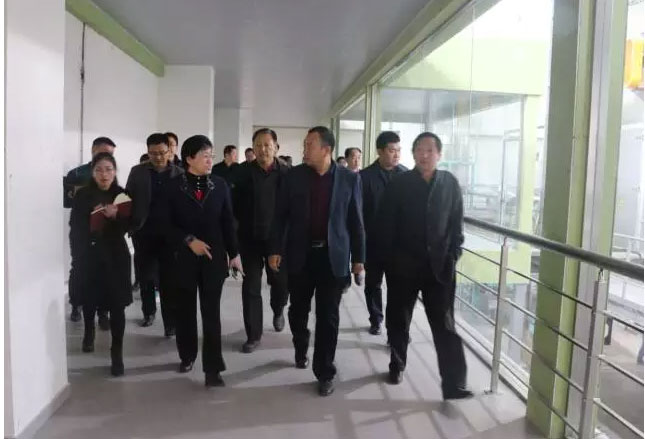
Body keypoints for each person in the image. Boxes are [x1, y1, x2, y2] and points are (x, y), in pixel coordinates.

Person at [269, 126, 365, 397]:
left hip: (332, 257)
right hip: (300, 254)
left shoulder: (348, 179)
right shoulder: (294, 176)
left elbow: (356, 221)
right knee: (298, 311)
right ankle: (301, 346)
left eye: (309, 144)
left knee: (328, 316)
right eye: (304, 144)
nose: (305, 149)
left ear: (326, 149)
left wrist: (359, 258)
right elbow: (280, 216)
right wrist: (275, 249)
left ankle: (325, 372)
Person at [376, 132, 472, 400]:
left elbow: (456, 224)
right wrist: (388, 261)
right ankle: (397, 364)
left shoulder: (449, 183)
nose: (424, 154)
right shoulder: (399, 184)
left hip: (439, 268)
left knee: (445, 324)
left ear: (439, 154)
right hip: (403, 267)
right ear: (413, 154)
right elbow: (386, 224)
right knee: (399, 318)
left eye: (430, 150)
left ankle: (454, 383)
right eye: (419, 149)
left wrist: (453, 254)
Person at [163, 135, 243, 387]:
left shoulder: (219, 185)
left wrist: (234, 253)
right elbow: (164, 225)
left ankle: (213, 368)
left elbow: (228, 221)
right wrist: (188, 240)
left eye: (211, 156)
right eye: (205, 156)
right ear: (189, 158)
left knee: (211, 314)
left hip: (213, 258)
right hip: (183, 258)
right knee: (185, 311)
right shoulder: (172, 187)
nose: (210, 161)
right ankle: (187, 355)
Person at [69, 152, 132, 376]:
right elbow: (75, 227)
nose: (104, 174)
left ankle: (117, 353)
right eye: (99, 170)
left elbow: (129, 226)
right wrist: (77, 255)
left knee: (117, 305)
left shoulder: (122, 195)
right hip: (90, 255)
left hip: (115, 256)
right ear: (92, 173)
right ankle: (89, 332)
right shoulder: (83, 195)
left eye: (108, 169)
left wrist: (115, 217)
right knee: (89, 299)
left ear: (115, 172)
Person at [230, 128, 290, 353]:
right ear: (253, 148)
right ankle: (253, 335)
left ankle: (278, 308)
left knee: (280, 283)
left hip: (278, 241)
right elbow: (232, 207)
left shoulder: (287, 174)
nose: (263, 149)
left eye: (267, 145)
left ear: (276, 147)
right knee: (251, 287)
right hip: (250, 240)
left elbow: (292, 212)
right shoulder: (241, 173)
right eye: (258, 145)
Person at [126, 133, 183, 335]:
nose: (158, 157)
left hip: (170, 236)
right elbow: (127, 199)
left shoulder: (180, 174)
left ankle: (170, 322)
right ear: (147, 152)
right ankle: (148, 312)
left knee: (169, 280)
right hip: (144, 233)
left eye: (161, 152)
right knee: (146, 277)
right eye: (153, 153)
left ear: (169, 151)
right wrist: (129, 226)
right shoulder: (137, 172)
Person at [359, 131, 408, 336]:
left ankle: (395, 330)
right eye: (391, 150)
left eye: (398, 150)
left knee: (398, 289)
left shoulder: (407, 176)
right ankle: (376, 319)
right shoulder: (364, 177)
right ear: (379, 151)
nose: (396, 155)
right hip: (374, 244)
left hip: (400, 246)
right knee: (373, 285)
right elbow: (358, 215)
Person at [64, 136, 116, 327]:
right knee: (79, 268)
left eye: (111, 154)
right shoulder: (76, 174)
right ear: (93, 150)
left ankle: (103, 312)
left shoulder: (112, 174)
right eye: (104, 152)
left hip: (105, 230)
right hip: (81, 229)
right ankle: (76, 305)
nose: (108, 157)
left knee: (105, 270)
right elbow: (66, 200)